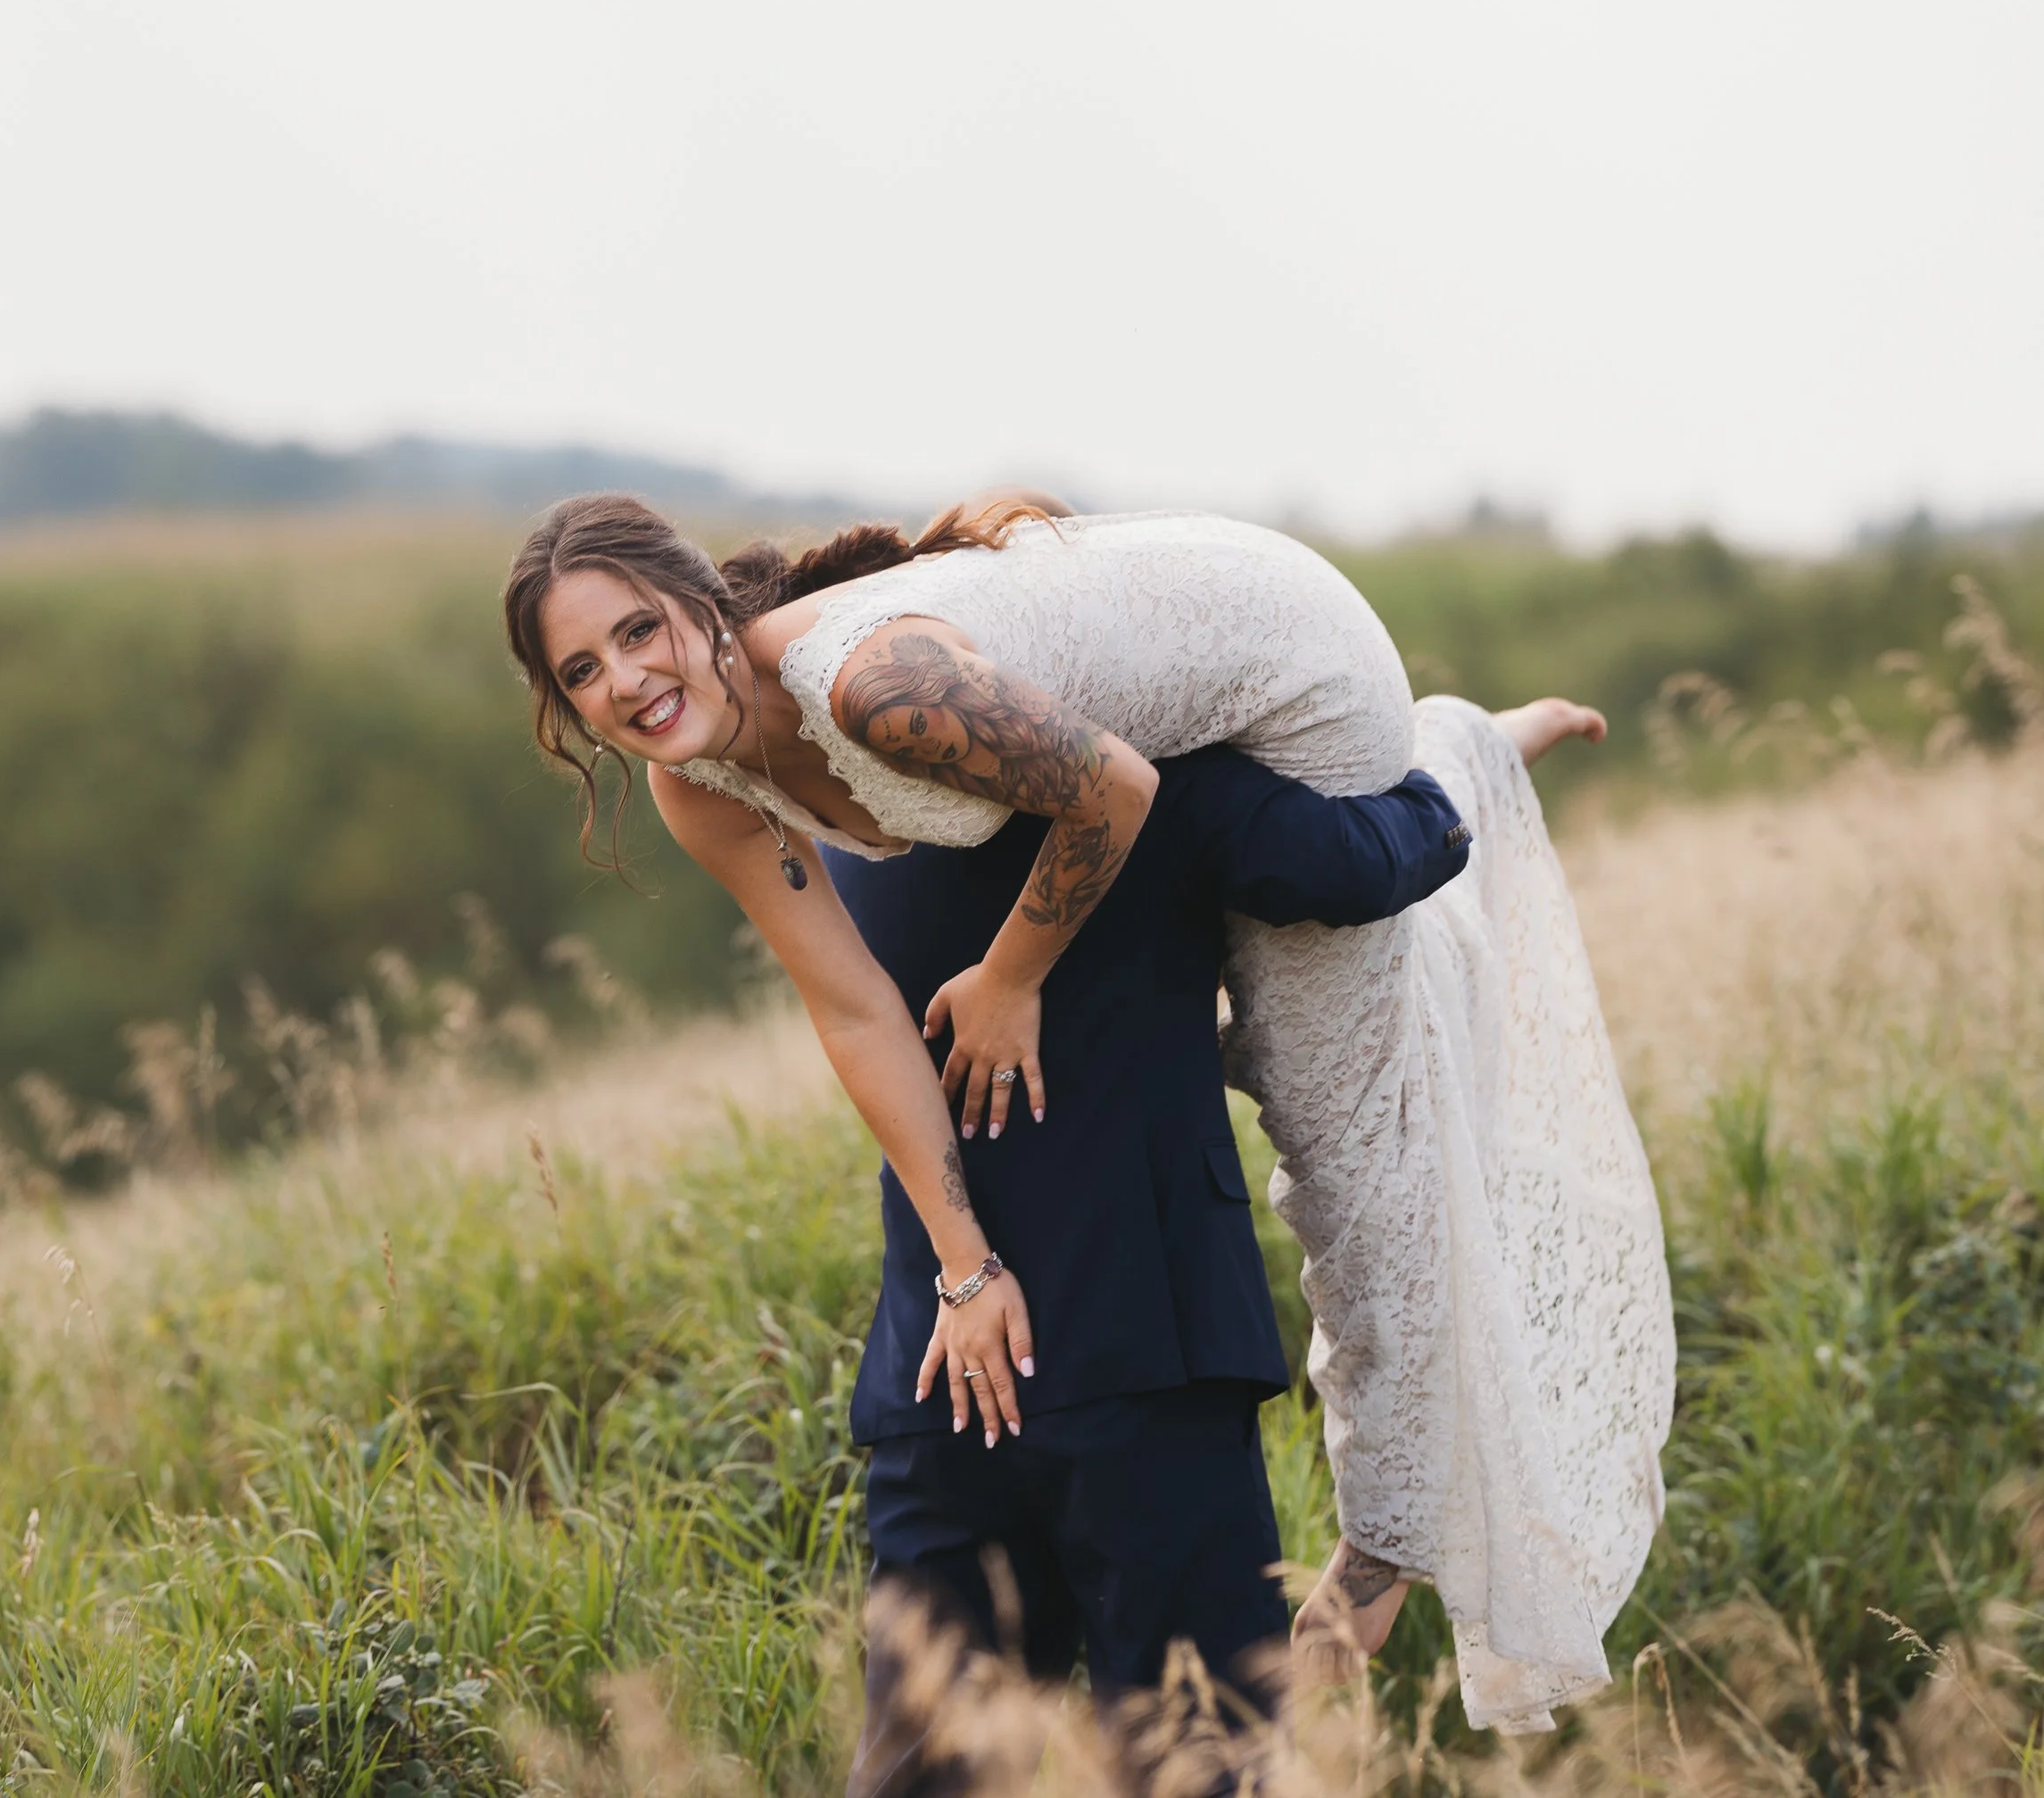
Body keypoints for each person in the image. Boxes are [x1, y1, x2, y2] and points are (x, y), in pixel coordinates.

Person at [503, 492, 1676, 1731]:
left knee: (1334, 1030)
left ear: (699, 604)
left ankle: (1464, 755)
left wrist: (1012, 978)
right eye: (582, 668)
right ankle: (1469, 748)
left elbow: (1111, 787)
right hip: (1110, 721)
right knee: (1220, 982)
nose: (625, 680)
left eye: (640, 631)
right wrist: (965, 1267)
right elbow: (855, 1014)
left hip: (1291, 661)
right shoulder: (702, 785)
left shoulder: (872, 685)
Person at [800, 740, 1473, 1798]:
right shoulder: (1170, 786)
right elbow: (1372, 855)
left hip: (942, 1381)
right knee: (1211, 1789)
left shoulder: (847, 824)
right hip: (1149, 1365)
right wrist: (1448, 778)